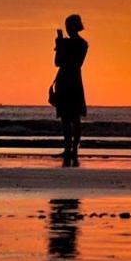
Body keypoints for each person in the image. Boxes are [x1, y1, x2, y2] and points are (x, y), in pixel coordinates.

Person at [52, 14, 88, 164]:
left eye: (68, 25)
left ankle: (71, 149)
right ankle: (71, 149)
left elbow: (60, 61)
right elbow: (58, 62)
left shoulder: (79, 44)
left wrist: (60, 43)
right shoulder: (82, 43)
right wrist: (61, 43)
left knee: (70, 117)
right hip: (71, 80)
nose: (67, 28)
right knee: (71, 117)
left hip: (68, 79)